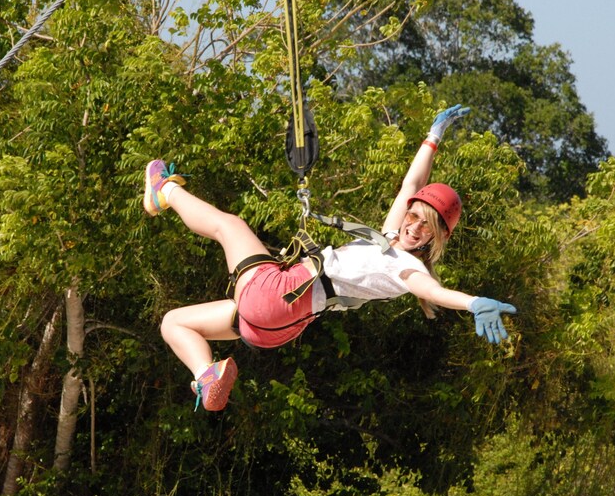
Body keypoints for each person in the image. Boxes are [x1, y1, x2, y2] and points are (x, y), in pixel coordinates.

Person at [143, 104, 517, 412]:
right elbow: (411, 185)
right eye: (413, 216)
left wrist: (472, 303)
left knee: (229, 225)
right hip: (278, 327)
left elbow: (433, 292)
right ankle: (205, 375)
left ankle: (164, 193)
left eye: (427, 227)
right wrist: (433, 138)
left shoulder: (406, 267)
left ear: (436, 239)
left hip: (280, 295)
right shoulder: (386, 241)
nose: (415, 227)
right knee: (174, 323)